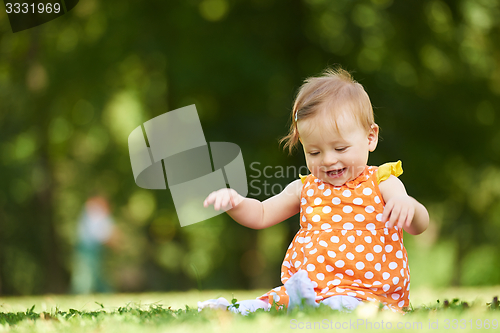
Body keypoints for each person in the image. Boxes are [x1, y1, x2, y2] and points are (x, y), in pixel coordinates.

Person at [199, 67, 429, 314]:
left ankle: (313, 305)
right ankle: (238, 308)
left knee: (340, 306)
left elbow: (419, 225)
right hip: (314, 287)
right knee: (274, 302)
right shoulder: (306, 187)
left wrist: (409, 206)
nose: (328, 160)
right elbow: (262, 214)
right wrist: (236, 203)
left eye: (340, 149)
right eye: (314, 152)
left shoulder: (382, 181)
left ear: (370, 137)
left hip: (366, 292)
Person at [70, 195, 120, 294]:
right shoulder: (93, 212)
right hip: (88, 247)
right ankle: (81, 292)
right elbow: (98, 233)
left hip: (94, 247)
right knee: (87, 272)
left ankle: (105, 292)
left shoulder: (99, 214)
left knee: (96, 272)